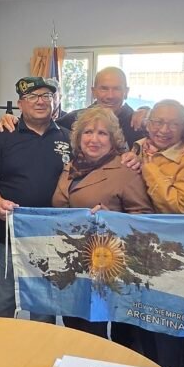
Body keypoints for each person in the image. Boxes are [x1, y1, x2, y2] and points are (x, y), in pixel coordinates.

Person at [115, 99, 184, 367]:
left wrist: (148, 166)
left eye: (173, 123)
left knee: (166, 321)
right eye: (157, 122)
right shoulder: (140, 146)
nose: (163, 129)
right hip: (135, 246)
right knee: (139, 316)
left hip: (172, 251)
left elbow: (177, 206)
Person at [52, 107, 153, 337]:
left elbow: (144, 217)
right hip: (72, 262)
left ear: (113, 138)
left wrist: (112, 219)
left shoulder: (125, 170)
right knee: (73, 325)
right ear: (78, 137)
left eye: (102, 133)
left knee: (96, 331)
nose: (94, 139)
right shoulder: (71, 167)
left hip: (108, 266)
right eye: (88, 132)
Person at [0, 77, 70, 321]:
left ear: (55, 101)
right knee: (2, 303)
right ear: (21, 103)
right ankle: (2, 359)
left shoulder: (68, 137)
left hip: (52, 239)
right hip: (7, 236)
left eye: (47, 96)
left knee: (44, 309)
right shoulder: (2, 135)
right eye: (33, 97)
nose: (41, 102)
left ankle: (41, 357)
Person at [0, 67, 146, 142]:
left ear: (126, 92)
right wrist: (14, 120)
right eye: (104, 88)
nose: (110, 95)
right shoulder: (74, 119)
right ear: (93, 91)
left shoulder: (139, 123)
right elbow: (39, 126)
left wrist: (147, 111)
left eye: (117, 89)